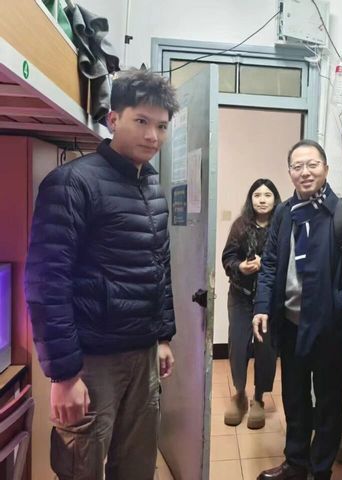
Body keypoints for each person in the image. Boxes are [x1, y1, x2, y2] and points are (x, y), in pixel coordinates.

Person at [25, 68, 179, 480]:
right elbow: (46, 283)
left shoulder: (152, 188)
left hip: (143, 354)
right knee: (82, 467)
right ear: (113, 119)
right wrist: (63, 374)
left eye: (162, 126)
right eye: (141, 121)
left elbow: (159, 266)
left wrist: (163, 336)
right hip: (93, 361)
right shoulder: (72, 183)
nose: (152, 136)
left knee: (137, 467)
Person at [252, 139, 342, 480]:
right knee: (294, 398)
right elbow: (271, 263)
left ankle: (320, 470)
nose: (304, 172)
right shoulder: (284, 213)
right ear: (290, 172)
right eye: (297, 166)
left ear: (326, 168)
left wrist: (335, 309)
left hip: (328, 330)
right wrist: (262, 306)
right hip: (290, 325)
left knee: (329, 404)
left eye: (312, 165)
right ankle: (296, 464)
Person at [221, 178, 281, 429]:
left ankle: (259, 397)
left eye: (267, 195)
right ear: (251, 199)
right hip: (240, 295)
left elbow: (288, 260)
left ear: (275, 199)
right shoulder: (240, 225)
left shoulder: (282, 225)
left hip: (269, 300)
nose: (262, 200)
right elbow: (228, 258)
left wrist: (267, 267)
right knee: (238, 346)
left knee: (266, 348)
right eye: (257, 195)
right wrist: (241, 267)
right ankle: (239, 395)